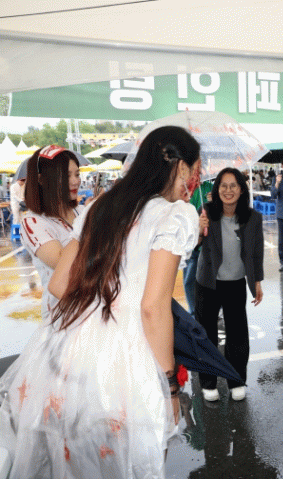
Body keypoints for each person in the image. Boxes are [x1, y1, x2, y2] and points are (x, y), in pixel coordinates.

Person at [0, 126, 202, 477]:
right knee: (135, 460)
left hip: (71, 350)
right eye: (196, 170)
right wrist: (170, 386)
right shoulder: (175, 215)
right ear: (180, 167)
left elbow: (60, 285)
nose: (195, 180)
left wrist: (108, 292)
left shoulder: (98, 205)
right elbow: (152, 308)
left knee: (80, 461)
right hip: (130, 358)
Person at [196, 168, 264, 402]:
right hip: (208, 282)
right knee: (207, 334)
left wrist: (257, 282)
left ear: (242, 189)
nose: (228, 190)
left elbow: (257, 253)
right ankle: (208, 382)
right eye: (223, 185)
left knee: (237, 334)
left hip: (235, 283)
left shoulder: (253, 217)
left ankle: (236, 379)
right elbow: (194, 245)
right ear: (217, 189)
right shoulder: (206, 212)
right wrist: (199, 230)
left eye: (233, 185)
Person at [19, 146, 84, 320]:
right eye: (66, 176)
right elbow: (66, 265)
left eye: (77, 174)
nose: (75, 181)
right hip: (62, 316)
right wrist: (90, 220)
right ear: (41, 179)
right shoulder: (33, 222)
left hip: (96, 306)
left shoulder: (82, 211)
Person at [183, 180, 213, 313]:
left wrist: (214, 202)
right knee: (189, 281)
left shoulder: (210, 187)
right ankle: (193, 312)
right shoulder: (184, 189)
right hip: (191, 242)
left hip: (207, 244)